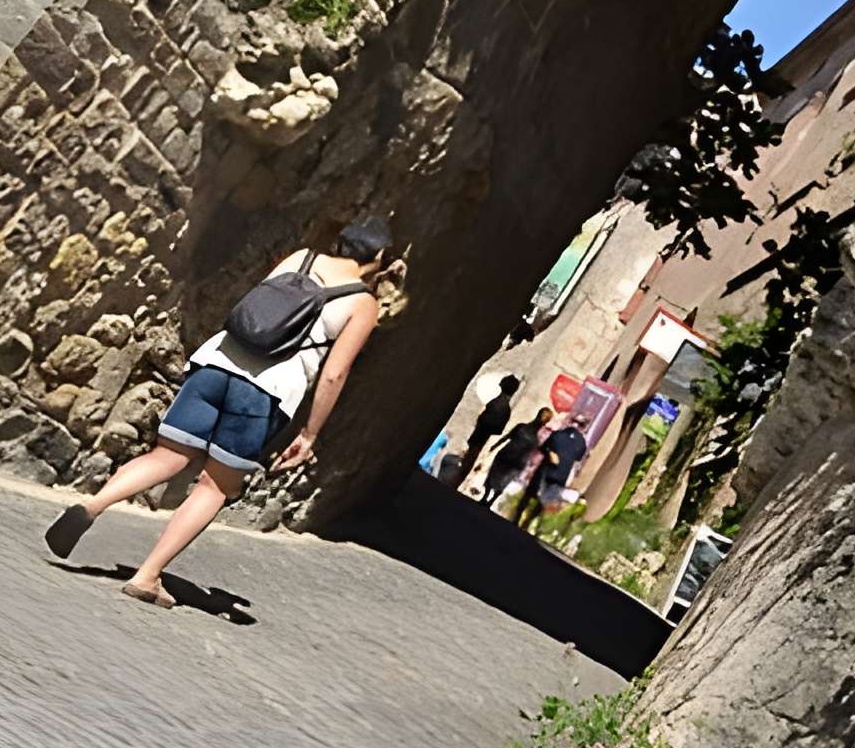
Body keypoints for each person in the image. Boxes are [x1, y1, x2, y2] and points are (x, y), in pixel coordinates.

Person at [43, 221, 396, 602]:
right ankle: (147, 575)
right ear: (377, 258)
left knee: (167, 456)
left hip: (216, 363)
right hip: (265, 393)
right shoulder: (363, 302)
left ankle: (93, 504)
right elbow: (334, 373)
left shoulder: (299, 258)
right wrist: (309, 434)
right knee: (214, 486)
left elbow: (258, 309)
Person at [519, 414, 590, 536]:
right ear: (583, 427)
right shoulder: (582, 443)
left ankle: (517, 516)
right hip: (561, 475)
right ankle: (528, 521)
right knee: (546, 499)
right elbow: (578, 459)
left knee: (530, 492)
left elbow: (543, 448)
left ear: (572, 422)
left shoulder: (558, 434)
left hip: (546, 469)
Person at [451, 373, 520, 493]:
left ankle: (455, 482)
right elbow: (498, 428)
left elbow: (494, 425)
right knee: (470, 457)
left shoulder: (499, 404)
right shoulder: (503, 405)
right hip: (482, 434)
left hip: (481, 434)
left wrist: (482, 422)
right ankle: (456, 481)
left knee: (470, 458)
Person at [480, 408, 554, 510]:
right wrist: (494, 446)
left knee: (503, 479)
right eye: (542, 415)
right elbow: (507, 436)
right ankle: (486, 497)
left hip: (516, 460)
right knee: (495, 475)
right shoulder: (525, 428)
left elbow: (542, 451)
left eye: (545, 416)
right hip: (508, 456)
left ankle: (490, 499)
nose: (542, 417)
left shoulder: (540, 435)